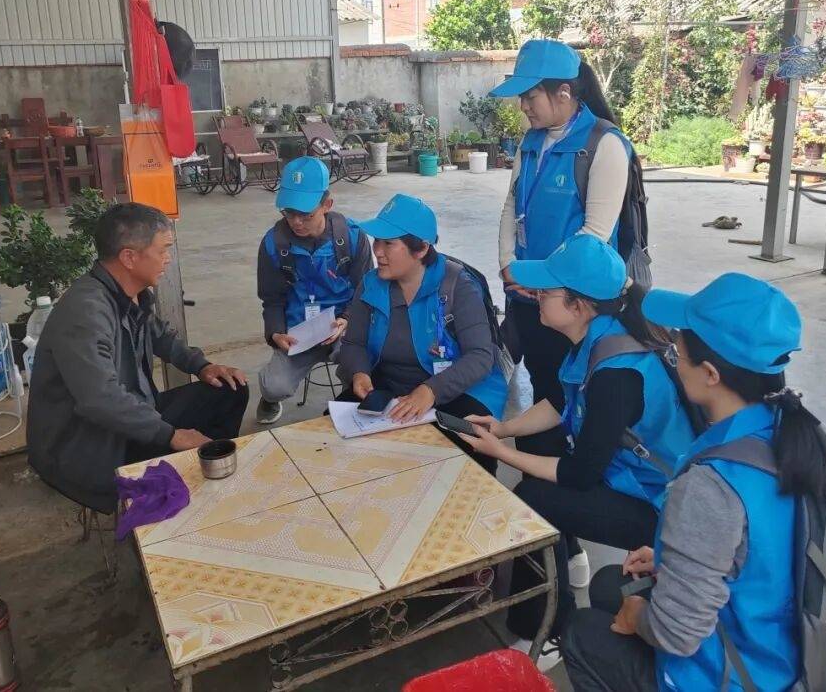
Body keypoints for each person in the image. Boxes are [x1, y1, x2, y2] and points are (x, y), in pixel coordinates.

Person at [562, 273, 826, 692]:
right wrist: (674, 556)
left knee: (582, 630)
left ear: (709, 374)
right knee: (608, 584)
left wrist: (637, 617)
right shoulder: (791, 434)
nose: (672, 355)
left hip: (736, 675)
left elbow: (677, 635)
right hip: (783, 642)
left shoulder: (711, 484)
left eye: (677, 349)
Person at [457, 235, 694, 664]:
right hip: (626, 474)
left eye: (546, 292)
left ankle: (547, 629)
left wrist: (499, 451)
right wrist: (504, 428)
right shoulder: (600, 336)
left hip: (661, 507)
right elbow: (560, 401)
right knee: (535, 440)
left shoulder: (617, 375)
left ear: (579, 305)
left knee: (532, 499)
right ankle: (564, 558)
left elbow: (580, 473)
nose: (536, 297)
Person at [27, 203, 250, 514]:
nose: (168, 258)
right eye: (163, 250)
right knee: (174, 438)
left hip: (133, 414)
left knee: (230, 387)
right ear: (129, 257)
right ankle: (175, 494)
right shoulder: (86, 312)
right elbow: (100, 400)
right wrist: (171, 435)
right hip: (94, 444)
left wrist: (202, 366)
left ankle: (209, 471)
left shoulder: (126, 292)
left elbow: (160, 336)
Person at [492, 39, 638, 462]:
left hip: (573, 302)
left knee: (569, 392)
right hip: (527, 292)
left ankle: (568, 479)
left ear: (564, 92)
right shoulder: (530, 141)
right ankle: (536, 477)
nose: (523, 106)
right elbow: (511, 205)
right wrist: (508, 263)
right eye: (521, 97)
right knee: (542, 383)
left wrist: (547, 284)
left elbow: (595, 235)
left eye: (530, 96)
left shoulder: (603, 144)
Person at [337, 193, 508, 473]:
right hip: (390, 387)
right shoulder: (370, 284)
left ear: (421, 249)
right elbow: (353, 343)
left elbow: (480, 356)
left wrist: (431, 391)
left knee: (470, 451)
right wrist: (359, 373)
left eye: (389, 243)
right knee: (336, 438)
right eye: (377, 240)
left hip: (457, 388)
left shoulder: (458, 286)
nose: (377, 251)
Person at [255, 157, 372, 424]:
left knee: (362, 368)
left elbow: (366, 291)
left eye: (306, 214)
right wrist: (276, 333)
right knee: (274, 386)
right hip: (298, 333)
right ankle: (270, 400)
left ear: (327, 204)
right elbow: (271, 298)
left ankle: (349, 400)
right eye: (289, 212)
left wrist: (347, 319)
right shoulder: (274, 244)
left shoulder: (352, 237)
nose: (296, 222)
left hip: (342, 327)